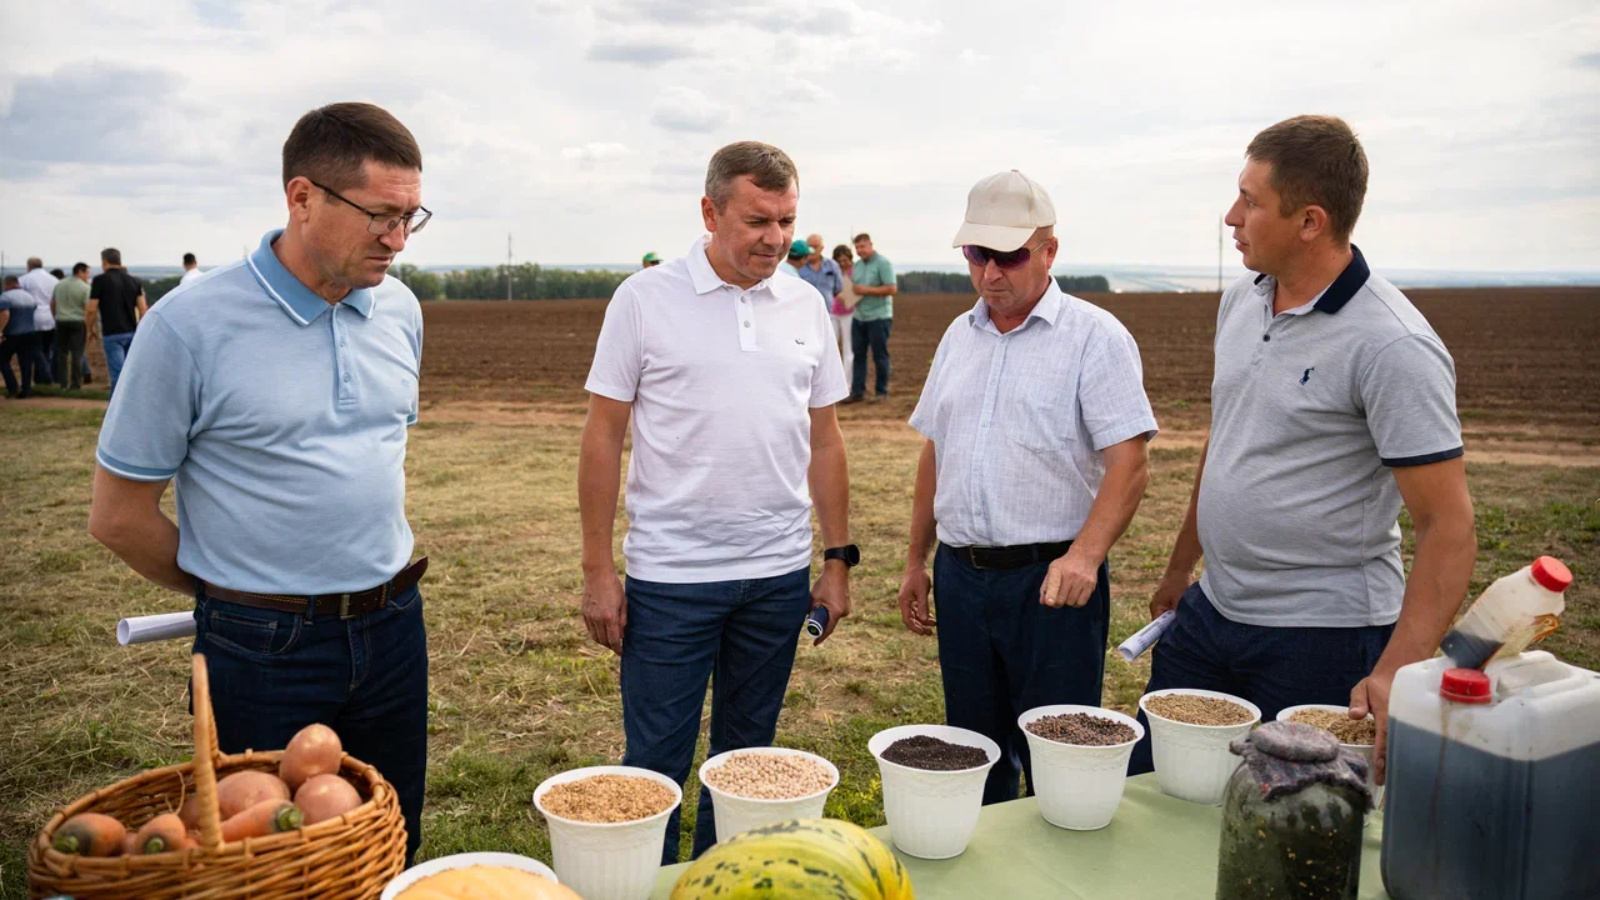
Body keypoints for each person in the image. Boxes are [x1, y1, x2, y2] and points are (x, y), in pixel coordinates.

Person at [87, 102, 434, 861]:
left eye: (412, 216)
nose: (398, 240)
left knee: (388, 844)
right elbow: (117, 516)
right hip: (261, 648)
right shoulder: (187, 327)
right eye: (380, 215)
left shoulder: (401, 310)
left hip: (394, 627)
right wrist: (237, 595)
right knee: (267, 862)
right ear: (302, 197)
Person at [1128, 116, 1477, 784]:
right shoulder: (1241, 301)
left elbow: (1449, 527)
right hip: (1212, 611)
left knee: (1286, 825)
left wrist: (1395, 668)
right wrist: (1180, 571)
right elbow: (1227, 443)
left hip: (1321, 635)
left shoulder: (1392, 345)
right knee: (1161, 790)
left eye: (1252, 201)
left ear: (1310, 221)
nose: (1231, 216)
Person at [579, 140, 855, 863]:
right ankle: (653, 880)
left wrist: (836, 559)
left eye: (787, 221)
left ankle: (721, 877)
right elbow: (604, 436)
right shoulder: (643, 299)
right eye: (757, 220)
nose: (775, 239)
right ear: (709, 212)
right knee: (656, 766)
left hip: (775, 577)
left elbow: (825, 439)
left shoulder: (805, 302)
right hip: (671, 578)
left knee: (747, 764)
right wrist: (598, 570)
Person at [898, 170, 1157, 805]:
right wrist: (914, 558)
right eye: (976, 255)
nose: (990, 274)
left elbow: (1130, 460)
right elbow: (938, 449)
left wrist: (1087, 556)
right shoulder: (960, 335)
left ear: (1048, 251)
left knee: (1059, 755)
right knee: (972, 751)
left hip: (1051, 586)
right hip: (961, 578)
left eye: (1008, 256)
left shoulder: (1095, 338)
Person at [842, 232, 896, 403]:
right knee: (858, 355)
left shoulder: (883, 263)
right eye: (857, 248)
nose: (860, 251)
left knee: (880, 356)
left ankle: (881, 392)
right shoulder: (857, 266)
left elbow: (892, 289)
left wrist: (865, 290)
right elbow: (854, 288)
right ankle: (857, 392)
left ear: (870, 245)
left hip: (879, 317)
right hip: (859, 317)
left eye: (863, 247)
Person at [86, 248, 146, 394]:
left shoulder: (99, 280)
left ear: (104, 262)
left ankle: (117, 411)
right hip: (132, 332)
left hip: (111, 333)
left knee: (117, 375)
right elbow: (144, 309)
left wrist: (89, 329)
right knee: (131, 373)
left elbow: (91, 309)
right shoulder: (134, 280)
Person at [1, 275, 51, 398]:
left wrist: (0, 330)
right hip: (29, 334)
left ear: (7, 284)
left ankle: (12, 387)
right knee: (26, 363)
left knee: (2, 360)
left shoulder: (5, 297)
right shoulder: (29, 297)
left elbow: (5, 313)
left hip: (12, 334)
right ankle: (26, 390)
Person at [51, 262, 92, 390]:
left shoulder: (59, 285)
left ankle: (63, 383)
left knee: (62, 353)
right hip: (78, 321)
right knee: (77, 354)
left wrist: (56, 315)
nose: (87, 276)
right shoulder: (85, 288)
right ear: (80, 272)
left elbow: (52, 303)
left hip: (61, 320)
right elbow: (87, 308)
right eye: (86, 273)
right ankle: (75, 383)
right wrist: (89, 326)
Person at [19, 257, 58, 386]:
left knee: (33, 350)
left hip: (32, 318)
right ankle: (40, 377)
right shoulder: (54, 280)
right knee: (46, 349)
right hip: (50, 317)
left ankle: (44, 376)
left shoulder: (24, 279)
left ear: (29, 266)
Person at [829, 244, 858, 381]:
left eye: (845, 260)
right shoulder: (833, 270)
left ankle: (848, 383)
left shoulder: (856, 271)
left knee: (848, 349)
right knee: (831, 348)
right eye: (839, 261)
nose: (842, 263)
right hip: (833, 313)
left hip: (850, 314)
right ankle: (832, 380)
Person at [797, 233, 843, 313]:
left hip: (827, 313)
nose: (812, 250)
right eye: (809, 246)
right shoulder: (799, 266)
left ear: (822, 248)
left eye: (815, 247)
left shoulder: (832, 265)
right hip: (805, 312)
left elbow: (838, 288)